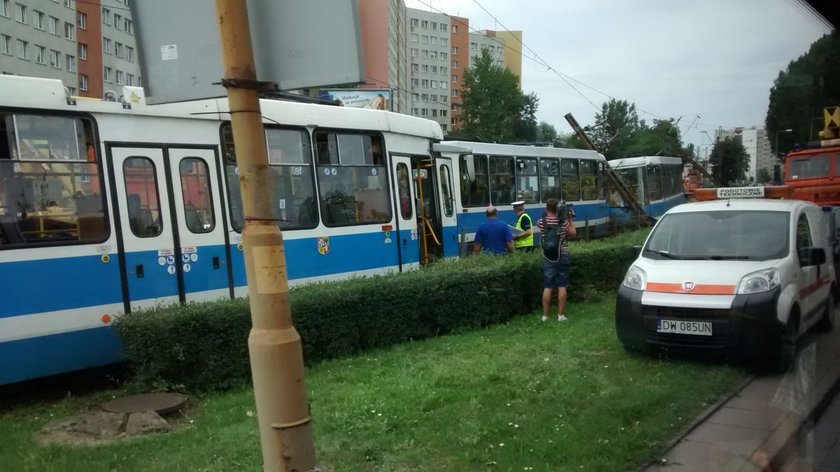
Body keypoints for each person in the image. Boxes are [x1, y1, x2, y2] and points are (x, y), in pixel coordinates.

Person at [538, 198, 576, 321]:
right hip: (562, 255)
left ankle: (545, 315)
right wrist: (569, 218)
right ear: (558, 209)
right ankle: (560, 315)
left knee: (548, 286)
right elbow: (573, 233)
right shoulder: (564, 222)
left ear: (546, 207)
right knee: (562, 285)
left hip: (548, 257)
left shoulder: (541, 222)